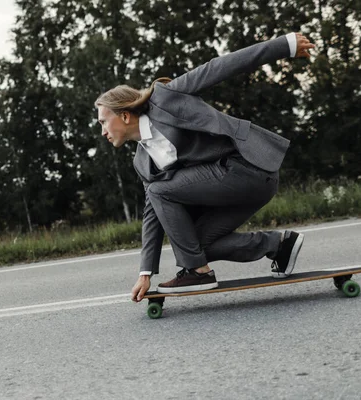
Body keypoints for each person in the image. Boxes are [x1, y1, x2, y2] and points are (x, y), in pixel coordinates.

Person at [95, 32, 316, 303]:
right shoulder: (142, 162)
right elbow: (152, 213)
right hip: (235, 189)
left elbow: (219, 67)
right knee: (195, 244)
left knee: (160, 194)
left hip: (249, 166)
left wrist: (284, 46)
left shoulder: (165, 98)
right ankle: (278, 245)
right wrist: (145, 272)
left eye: (103, 122)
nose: (103, 131)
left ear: (125, 115)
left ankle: (198, 273)